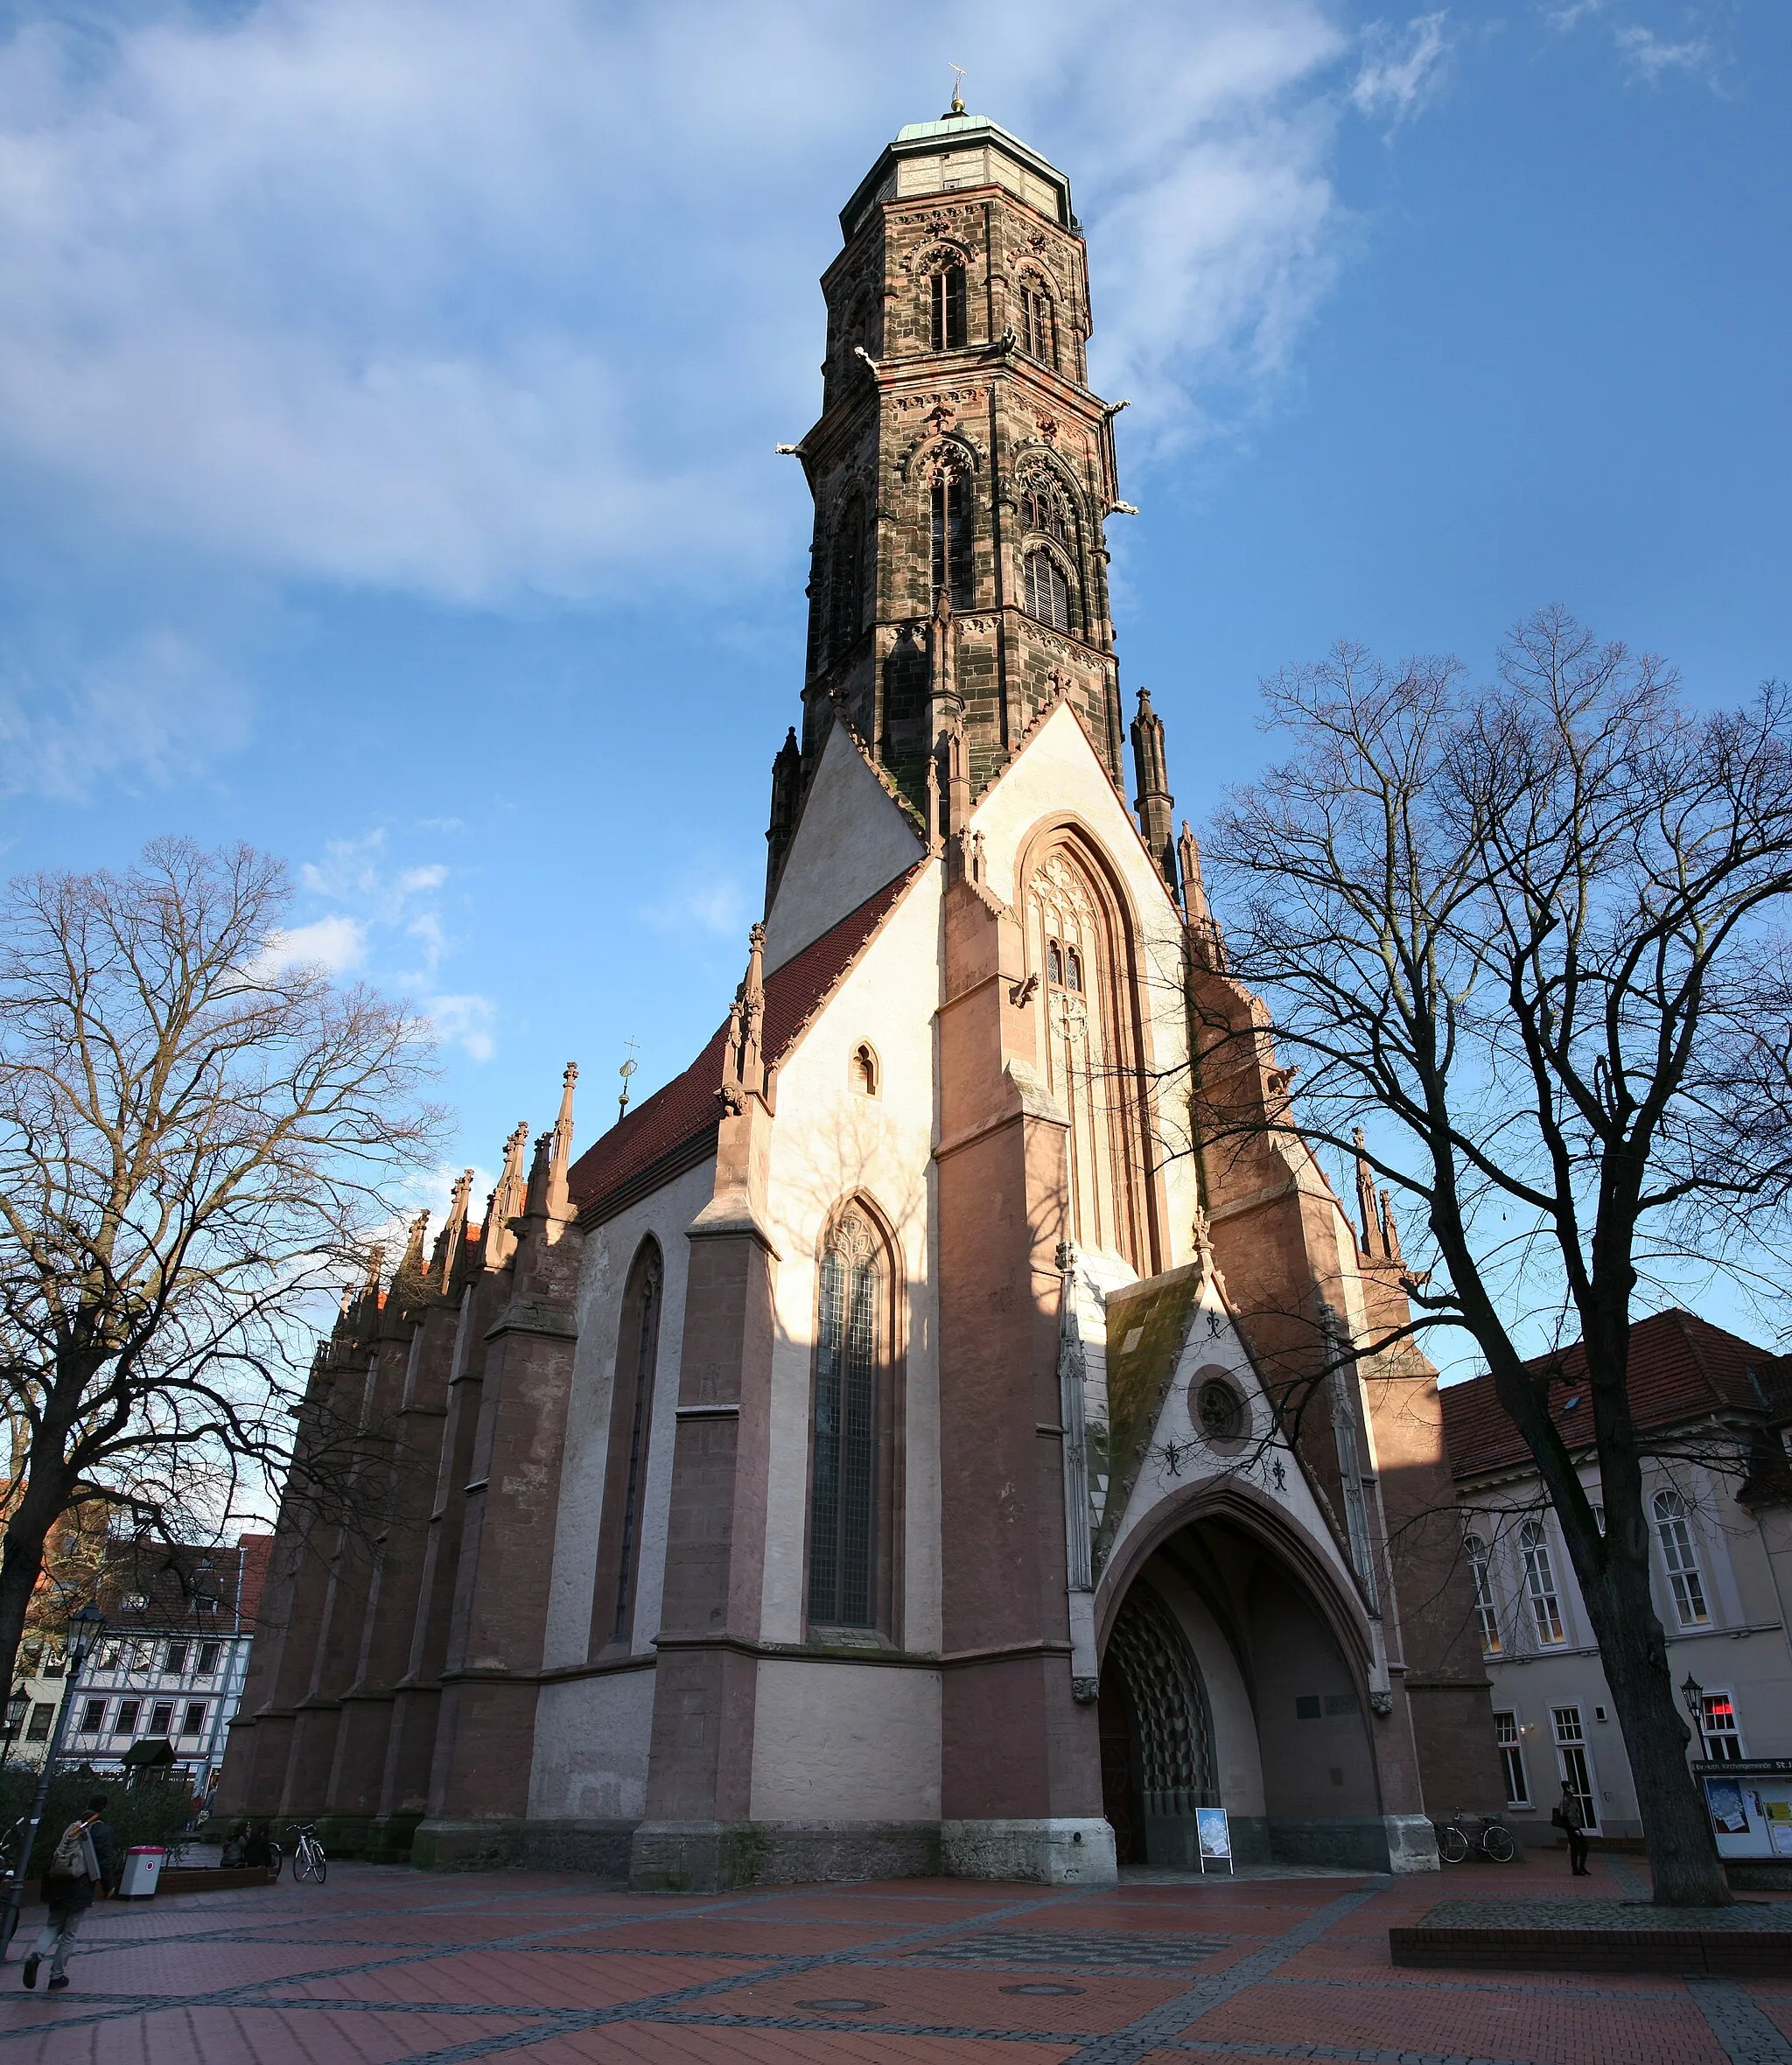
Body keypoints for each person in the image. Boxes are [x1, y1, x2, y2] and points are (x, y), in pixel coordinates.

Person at [22, 1795, 114, 1992]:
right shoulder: (101, 1831)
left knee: (53, 1925)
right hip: (80, 1886)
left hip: (59, 1884)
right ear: (103, 1810)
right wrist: (108, 1886)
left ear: (87, 1806)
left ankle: (36, 1956)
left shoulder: (74, 1827)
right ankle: (57, 1976)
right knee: (69, 1934)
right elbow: (104, 1861)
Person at [1552, 1781, 1590, 1876]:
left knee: (1575, 1846)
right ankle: (1579, 1867)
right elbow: (1570, 1814)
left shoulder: (1569, 1798)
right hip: (1571, 1826)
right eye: (1571, 1787)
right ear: (1567, 1788)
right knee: (1582, 1844)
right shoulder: (1567, 1799)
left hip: (1570, 1826)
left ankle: (1577, 1868)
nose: (1573, 1788)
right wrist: (1576, 1828)